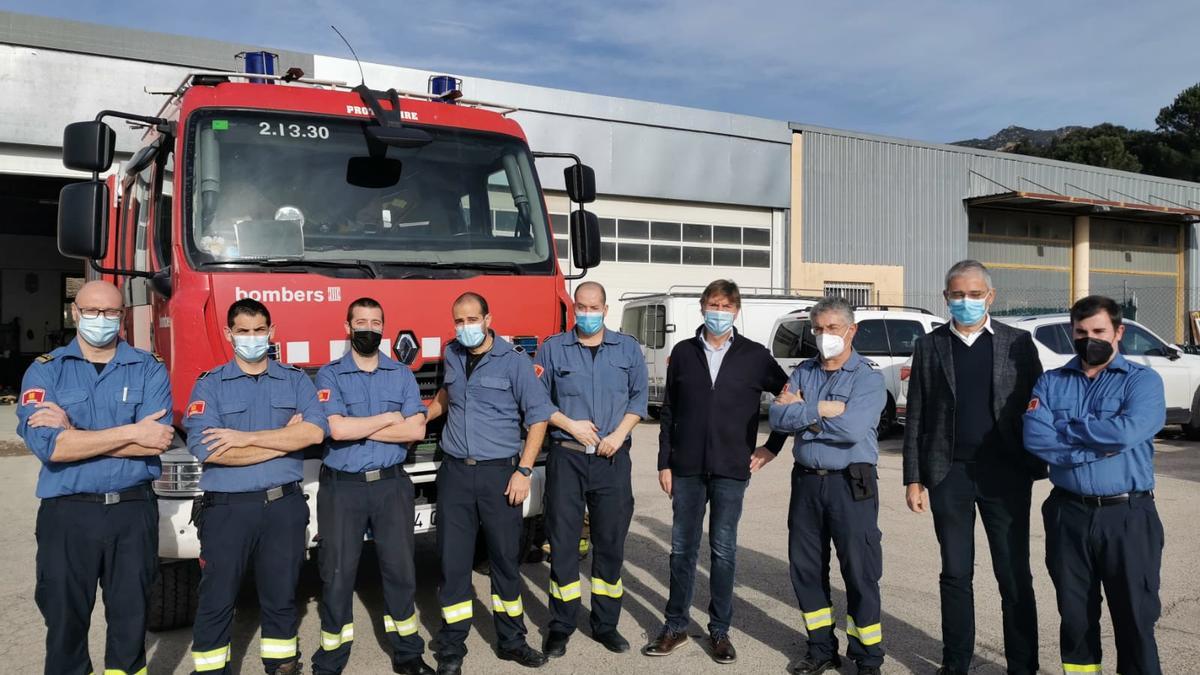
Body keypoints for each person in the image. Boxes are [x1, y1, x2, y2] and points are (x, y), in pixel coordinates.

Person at [17, 280, 173, 675]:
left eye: (110, 313)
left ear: (122, 316)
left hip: (132, 511)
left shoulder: (149, 367)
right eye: (92, 311)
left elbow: (156, 441)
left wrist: (76, 432)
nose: (101, 320)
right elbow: (51, 447)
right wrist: (130, 432)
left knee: (130, 618)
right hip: (68, 514)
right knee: (65, 620)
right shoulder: (45, 371)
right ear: (75, 312)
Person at [901, 260, 1043, 675]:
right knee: (956, 573)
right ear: (946, 298)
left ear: (990, 297)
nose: (966, 301)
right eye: (958, 294)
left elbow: (1038, 406)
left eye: (974, 294)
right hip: (950, 474)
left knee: (1013, 574)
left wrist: (1039, 460)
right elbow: (917, 417)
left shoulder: (1018, 343)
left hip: (1006, 474)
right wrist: (914, 477)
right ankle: (955, 662)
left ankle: (1023, 664)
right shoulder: (930, 346)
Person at [645, 278, 789, 665]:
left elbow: (791, 397)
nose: (719, 312)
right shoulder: (684, 352)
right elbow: (669, 414)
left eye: (726, 306)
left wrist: (772, 446)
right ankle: (675, 625)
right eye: (713, 304)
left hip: (731, 470)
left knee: (723, 552)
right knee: (681, 550)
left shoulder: (755, 355)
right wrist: (664, 462)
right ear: (701, 307)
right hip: (687, 469)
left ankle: (720, 631)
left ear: (737, 311)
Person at [184, 299, 328, 675]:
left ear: (272, 332)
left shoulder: (295, 380)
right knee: (217, 598)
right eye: (243, 331)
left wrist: (241, 439)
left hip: (284, 507)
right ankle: (212, 670)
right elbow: (207, 450)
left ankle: (282, 665)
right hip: (227, 509)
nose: (252, 338)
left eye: (259, 330)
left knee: (281, 596)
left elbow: (313, 432)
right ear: (229, 334)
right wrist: (283, 439)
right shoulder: (210, 385)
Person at [1024, 295, 1166, 675]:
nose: (1090, 339)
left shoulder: (1143, 381)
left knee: (1136, 615)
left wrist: (1067, 431)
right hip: (1067, 513)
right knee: (1074, 616)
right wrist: (1094, 447)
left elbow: (1127, 432)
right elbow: (1036, 439)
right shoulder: (1051, 381)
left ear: (1118, 332)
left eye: (1099, 331)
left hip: (1127, 516)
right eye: (1081, 332)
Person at [424, 292, 556, 675]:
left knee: (503, 562)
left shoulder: (514, 362)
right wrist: (423, 415)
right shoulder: (451, 354)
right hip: (455, 474)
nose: (465, 327)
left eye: (471, 319)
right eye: (459, 321)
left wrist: (525, 470)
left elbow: (539, 418)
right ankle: (451, 647)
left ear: (487, 318)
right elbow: (449, 394)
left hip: (501, 474)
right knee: (453, 563)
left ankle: (512, 641)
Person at [311, 298, 434, 675]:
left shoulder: (400, 373)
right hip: (342, 488)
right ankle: (332, 657)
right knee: (336, 574)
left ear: (384, 328)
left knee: (400, 571)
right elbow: (335, 429)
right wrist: (385, 419)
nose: (368, 328)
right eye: (360, 321)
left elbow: (415, 429)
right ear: (347, 327)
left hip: (391, 486)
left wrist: (358, 424)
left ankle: (408, 652)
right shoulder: (329, 374)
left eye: (375, 322)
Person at [769, 297, 887, 675]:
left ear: (851, 330)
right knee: (805, 568)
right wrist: (821, 410)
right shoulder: (804, 371)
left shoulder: (868, 377)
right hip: (806, 483)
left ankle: (867, 657)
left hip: (850, 484)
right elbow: (776, 416)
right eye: (818, 329)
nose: (824, 336)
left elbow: (852, 431)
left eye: (832, 328)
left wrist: (802, 413)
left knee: (859, 571)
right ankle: (820, 648)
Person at [534, 281, 648, 658]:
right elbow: (539, 403)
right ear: (574, 309)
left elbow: (639, 399)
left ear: (605, 309)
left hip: (612, 458)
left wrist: (618, 434)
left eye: (593, 307)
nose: (586, 313)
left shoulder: (628, 349)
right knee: (564, 545)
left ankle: (605, 625)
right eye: (580, 307)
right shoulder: (552, 349)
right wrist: (571, 425)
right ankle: (561, 625)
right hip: (567, 456)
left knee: (610, 544)